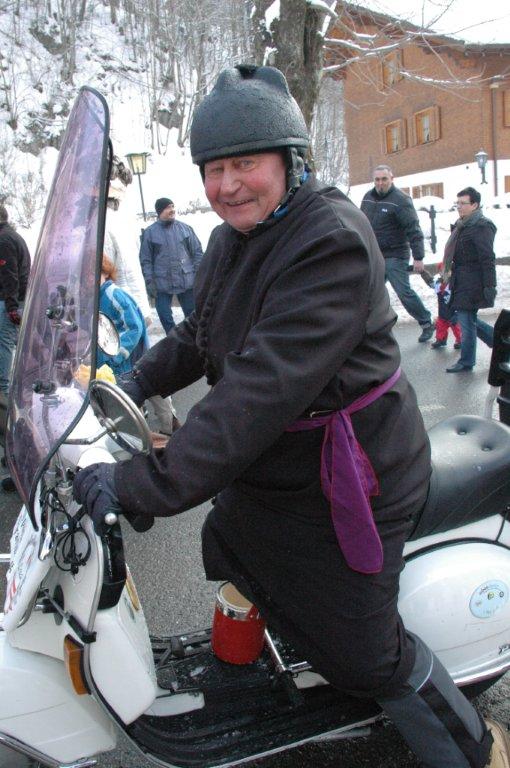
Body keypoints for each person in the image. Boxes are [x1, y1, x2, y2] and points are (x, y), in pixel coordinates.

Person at [74, 65, 509, 768]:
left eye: (245, 163)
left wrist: (140, 483)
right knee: (234, 542)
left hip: (350, 477)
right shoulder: (233, 239)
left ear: (290, 160)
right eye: (214, 169)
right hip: (281, 464)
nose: (227, 185)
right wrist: (126, 382)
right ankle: (270, 666)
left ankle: (476, 750)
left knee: (366, 652)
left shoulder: (329, 239)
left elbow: (257, 390)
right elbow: (198, 335)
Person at [105, 183, 180, 433]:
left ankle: (161, 424)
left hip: (122, 310)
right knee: (145, 373)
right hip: (133, 305)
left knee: (139, 374)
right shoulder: (121, 222)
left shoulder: (104, 226)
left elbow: (105, 267)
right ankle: (164, 421)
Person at [361, 165, 435, 342]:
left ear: (392, 179)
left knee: (403, 292)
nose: (380, 183)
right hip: (374, 254)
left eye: (384, 179)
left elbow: (413, 229)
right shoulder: (368, 197)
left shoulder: (401, 200)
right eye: (377, 179)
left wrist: (418, 257)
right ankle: (368, 329)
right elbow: (361, 223)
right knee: (368, 293)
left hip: (395, 255)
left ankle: (426, 322)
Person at [445, 187, 497, 373]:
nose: (459, 206)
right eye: (457, 203)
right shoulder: (462, 225)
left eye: (463, 203)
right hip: (460, 280)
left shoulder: (481, 226)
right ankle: (499, 341)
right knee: (465, 319)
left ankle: (466, 361)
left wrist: (490, 286)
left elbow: (487, 259)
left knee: (466, 321)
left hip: (474, 282)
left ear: (474, 205)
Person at [139, 197, 203, 333]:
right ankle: (174, 340)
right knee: (164, 316)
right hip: (161, 284)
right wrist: (150, 282)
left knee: (193, 317)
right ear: (160, 211)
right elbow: (146, 260)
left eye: (173, 206)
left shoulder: (185, 229)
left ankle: (193, 341)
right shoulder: (150, 233)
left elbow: (197, 253)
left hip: (186, 281)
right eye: (168, 207)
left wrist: (197, 275)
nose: (172, 210)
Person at [98, 254, 148, 377]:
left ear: (106, 273)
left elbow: (134, 327)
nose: (90, 278)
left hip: (123, 362)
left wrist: (116, 356)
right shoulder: (92, 298)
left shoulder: (114, 295)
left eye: (95, 273)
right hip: (105, 361)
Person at [0, 205, 31, 397]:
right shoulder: (13, 236)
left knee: (4, 344)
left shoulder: (4, 240)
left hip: (9, 302)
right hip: (17, 300)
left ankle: (2, 392)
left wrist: (11, 307)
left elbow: (10, 275)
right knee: (18, 345)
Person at [431, 270, 462, 350]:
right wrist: (422, 272)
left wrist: (457, 311)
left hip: (453, 312)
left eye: (446, 271)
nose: (444, 274)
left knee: (456, 327)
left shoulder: (455, 283)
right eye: (441, 271)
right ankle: (441, 340)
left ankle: (460, 341)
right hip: (442, 311)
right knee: (440, 326)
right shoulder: (438, 283)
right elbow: (429, 282)